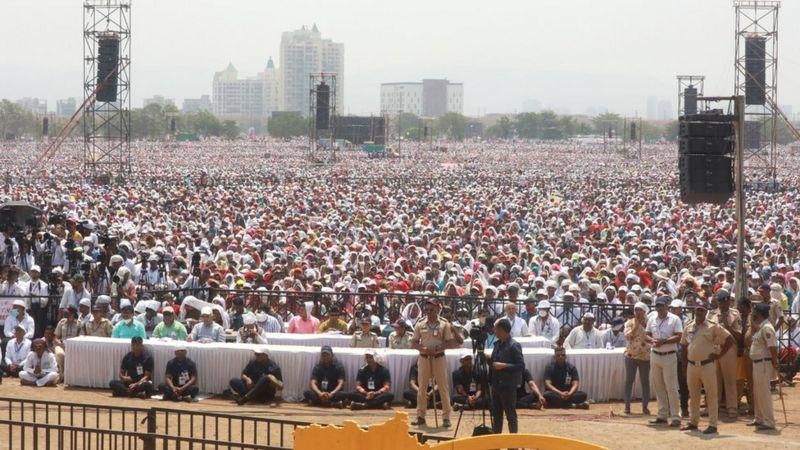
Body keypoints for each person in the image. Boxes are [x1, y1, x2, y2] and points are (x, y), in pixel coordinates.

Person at [680, 299, 734, 434]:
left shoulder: (712, 326)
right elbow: (684, 345)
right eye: (697, 309)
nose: (699, 312)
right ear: (695, 311)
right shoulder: (689, 326)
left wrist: (719, 356)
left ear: (706, 312)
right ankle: (693, 421)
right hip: (692, 365)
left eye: (702, 310)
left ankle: (713, 424)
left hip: (707, 365)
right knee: (694, 395)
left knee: (711, 395)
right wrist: (684, 364)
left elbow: (729, 339)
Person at [410, 298, 463, 427]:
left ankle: (446, 417)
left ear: (438, 309)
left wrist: (438, 348)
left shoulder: (444, 324)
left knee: (443, 387)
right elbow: (413, 342)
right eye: (427, 309)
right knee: (422, 387)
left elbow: (449, 342)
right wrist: (424, 349)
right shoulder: (420, 323)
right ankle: (420, 416)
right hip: (424, 358)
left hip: (439, 358)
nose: (429, 311)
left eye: (432, 309)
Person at [646, 296, 683, 428]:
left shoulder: (674, 319)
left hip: (669, 355)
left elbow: (679, 336)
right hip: (655, 354)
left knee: (671, 387)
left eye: (662, 305)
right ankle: (662, 415)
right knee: (658, 386)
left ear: (667, 306)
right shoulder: (652, 319)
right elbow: (647, 334)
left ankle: (675, 417)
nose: (659, 308)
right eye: (657, 306)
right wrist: (651, 341)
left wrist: (664, 341)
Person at [708, 289, 742, 419]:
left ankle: (732, 407)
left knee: (729, 379)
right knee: (714, 380)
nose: (723, 304)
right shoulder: (712, 314)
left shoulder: (734, 314)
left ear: (729, 301)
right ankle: (714, 406)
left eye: (725, 301)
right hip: (715, 347)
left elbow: (738, 335)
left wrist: (727, 324)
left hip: (729, 348)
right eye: (721, 301)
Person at [489, 318, 525, 433]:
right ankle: (496, 443)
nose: (495, 332)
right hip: (496, 385)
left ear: (503, 330)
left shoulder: (514, 345)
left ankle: (513, 444)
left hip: (508, 385)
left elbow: (521, 366)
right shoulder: (497, 344)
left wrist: (504, 366)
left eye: (497, 329)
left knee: (510, 416)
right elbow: (494, 363)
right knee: (497, 416)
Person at [748, 303, 779, 431]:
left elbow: (772, 347)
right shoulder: (761, 327)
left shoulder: (767, 328)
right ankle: (759, 417)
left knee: (764, 393)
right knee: (758, 392)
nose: (753, 314)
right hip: (758, 363)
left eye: (755, 312)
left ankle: (769, 421)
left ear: (760, 314)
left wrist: (775, 363)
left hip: (764, 363)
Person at [623, 302, 651, 415]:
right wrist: (636, 325)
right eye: (636, 310)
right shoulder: (629, 323)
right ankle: (627, 406)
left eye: (640, 310)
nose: (638, 312)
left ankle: (645, 406)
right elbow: (628, 336)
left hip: (645, 356)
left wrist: (643, 325)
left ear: (645, 312)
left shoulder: (650, 323)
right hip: (631, 355)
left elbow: (652, 335)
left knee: (645, 382)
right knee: (629, 381)